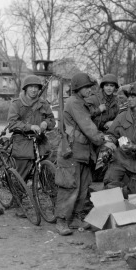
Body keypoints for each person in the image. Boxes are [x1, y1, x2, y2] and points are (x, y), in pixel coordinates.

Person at [54, 72, 108, 236]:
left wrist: (97, 112)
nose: (90, 90)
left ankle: (76, 217)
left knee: (83, 186)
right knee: (69, 186)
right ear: (78, 88)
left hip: (83, 151)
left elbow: (87, 117)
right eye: (87, 87)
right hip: (72, 151)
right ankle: (62, 220)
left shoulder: (80, 102)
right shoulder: (74, 103)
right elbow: (87, 126)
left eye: (90, 87)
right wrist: (102, 139)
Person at [7, 75, 56, 217]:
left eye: (37, 87)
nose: (34, 90)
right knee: (21, 173)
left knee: (48, 171)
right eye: (31, 87)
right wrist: (29, 126)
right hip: (23, 141)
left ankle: (54, 202)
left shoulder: (43, 103)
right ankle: (17, 202)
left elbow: (51, 119)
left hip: (40, 141)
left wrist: (46, 123)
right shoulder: (17, 104)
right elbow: (12, 123)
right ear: (26, 88)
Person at [85, 74, 120, 181]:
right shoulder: (93, 99)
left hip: (107, 134)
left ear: (115, 88)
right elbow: (82, 115)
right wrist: (98, 110)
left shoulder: (115, 102)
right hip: (92, 134)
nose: (109, 88)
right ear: (103, 87)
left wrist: (113, 122)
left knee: (110, 151)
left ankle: (100, 177)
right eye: (107, 85)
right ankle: (95, 177)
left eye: (112, 86)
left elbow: (119, 119)